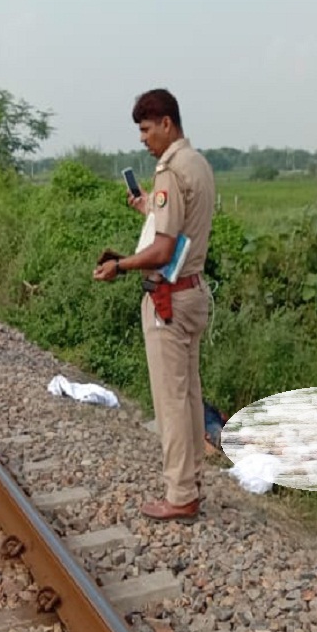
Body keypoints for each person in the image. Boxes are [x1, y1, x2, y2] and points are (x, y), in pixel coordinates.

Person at [93, 89, 215, 521]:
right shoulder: (197, 164)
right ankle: (192, 481)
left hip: (168, 297)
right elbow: (178, 229)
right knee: (189, 395)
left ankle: (179, 494)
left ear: (166, 123)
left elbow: (163, 250)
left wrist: (120, 265)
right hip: (194, 291)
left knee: (170, 400)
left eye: (146, 130)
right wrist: (149, 208)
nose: (143, 139)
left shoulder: (169, 171)